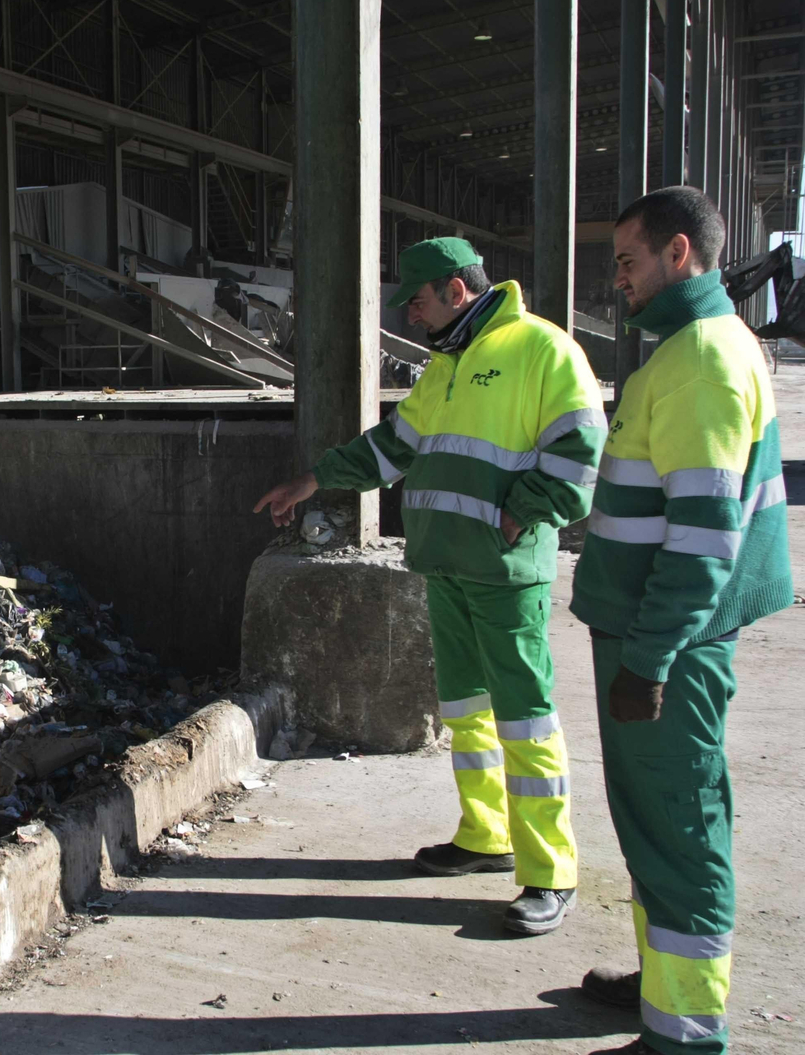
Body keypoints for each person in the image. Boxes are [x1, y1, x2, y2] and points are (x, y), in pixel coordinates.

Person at [254, 237, 605, 935]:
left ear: (453, 289)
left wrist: (522, 514)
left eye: (415, 300)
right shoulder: (445, 367)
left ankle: (550, 872)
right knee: (468, 714)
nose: (411, 316)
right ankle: (485, 836)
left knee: (525, 720)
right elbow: (392, 447)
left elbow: (582, 446)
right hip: (444, 567)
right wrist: (315, 478)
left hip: (505, 573)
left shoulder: (542, 349)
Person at [572, 186, 791, 1055]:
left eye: (628, 261)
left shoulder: (701, 361)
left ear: (680, 256)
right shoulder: (691, 349)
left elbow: (703, 538)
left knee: (681, 821)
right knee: (657, 818)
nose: (617, 279)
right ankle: (661, 983)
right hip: (653, 633)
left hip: (667, 642)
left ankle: (686, 1033)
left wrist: (651, 659)